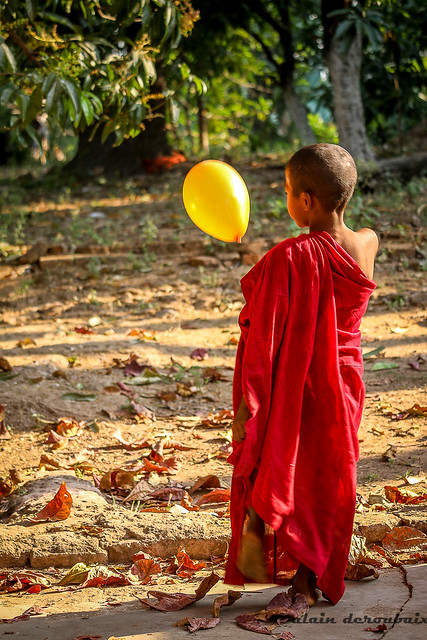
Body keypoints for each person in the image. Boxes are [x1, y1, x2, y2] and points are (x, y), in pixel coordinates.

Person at [225, 143, 378, 606]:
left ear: (306, 201)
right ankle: (308, 575)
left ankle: (263, 513)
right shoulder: (367, 241)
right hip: (345, 378)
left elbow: (262, 331)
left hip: (303, 381)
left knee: (282, 452)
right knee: (331, 470)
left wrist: (249, 397)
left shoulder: (288, 257)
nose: (287, 199)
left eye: (289, 191)